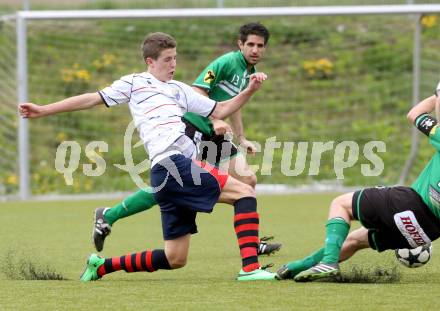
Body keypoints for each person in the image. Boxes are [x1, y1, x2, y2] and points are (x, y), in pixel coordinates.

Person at [20, 32, 276, 281]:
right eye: (167, 59)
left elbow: (221, 108)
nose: (173, 64)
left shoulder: (178, 89)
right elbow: (91, 99)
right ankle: (250, 269)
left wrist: (250, 90)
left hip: (172, 171)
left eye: (175, 58)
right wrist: (43, 110)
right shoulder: (134, 83)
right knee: (244, 191)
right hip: (173, 164)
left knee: (175, 258)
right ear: (150, 62)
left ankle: (100, 266)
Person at [92, 22, 281, 256]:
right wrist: (215, 119)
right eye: (250, 44)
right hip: (195, 128)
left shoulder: (248, 72)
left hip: (216, 134)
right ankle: (109, 215)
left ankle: (252, 243)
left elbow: (234, 105)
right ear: (240, 45)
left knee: (248, 179)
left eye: (260, 46)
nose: (255, 50)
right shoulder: (226, 62)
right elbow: (199, 89)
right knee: (168, 187)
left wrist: (241, 137)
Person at [276, 82, 440, 282]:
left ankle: (328, 262)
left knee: (341, 204)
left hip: (410, 205)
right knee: (355, 241)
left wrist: (437, 94)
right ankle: (296, 268)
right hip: (429, 231)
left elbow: (415, 113)